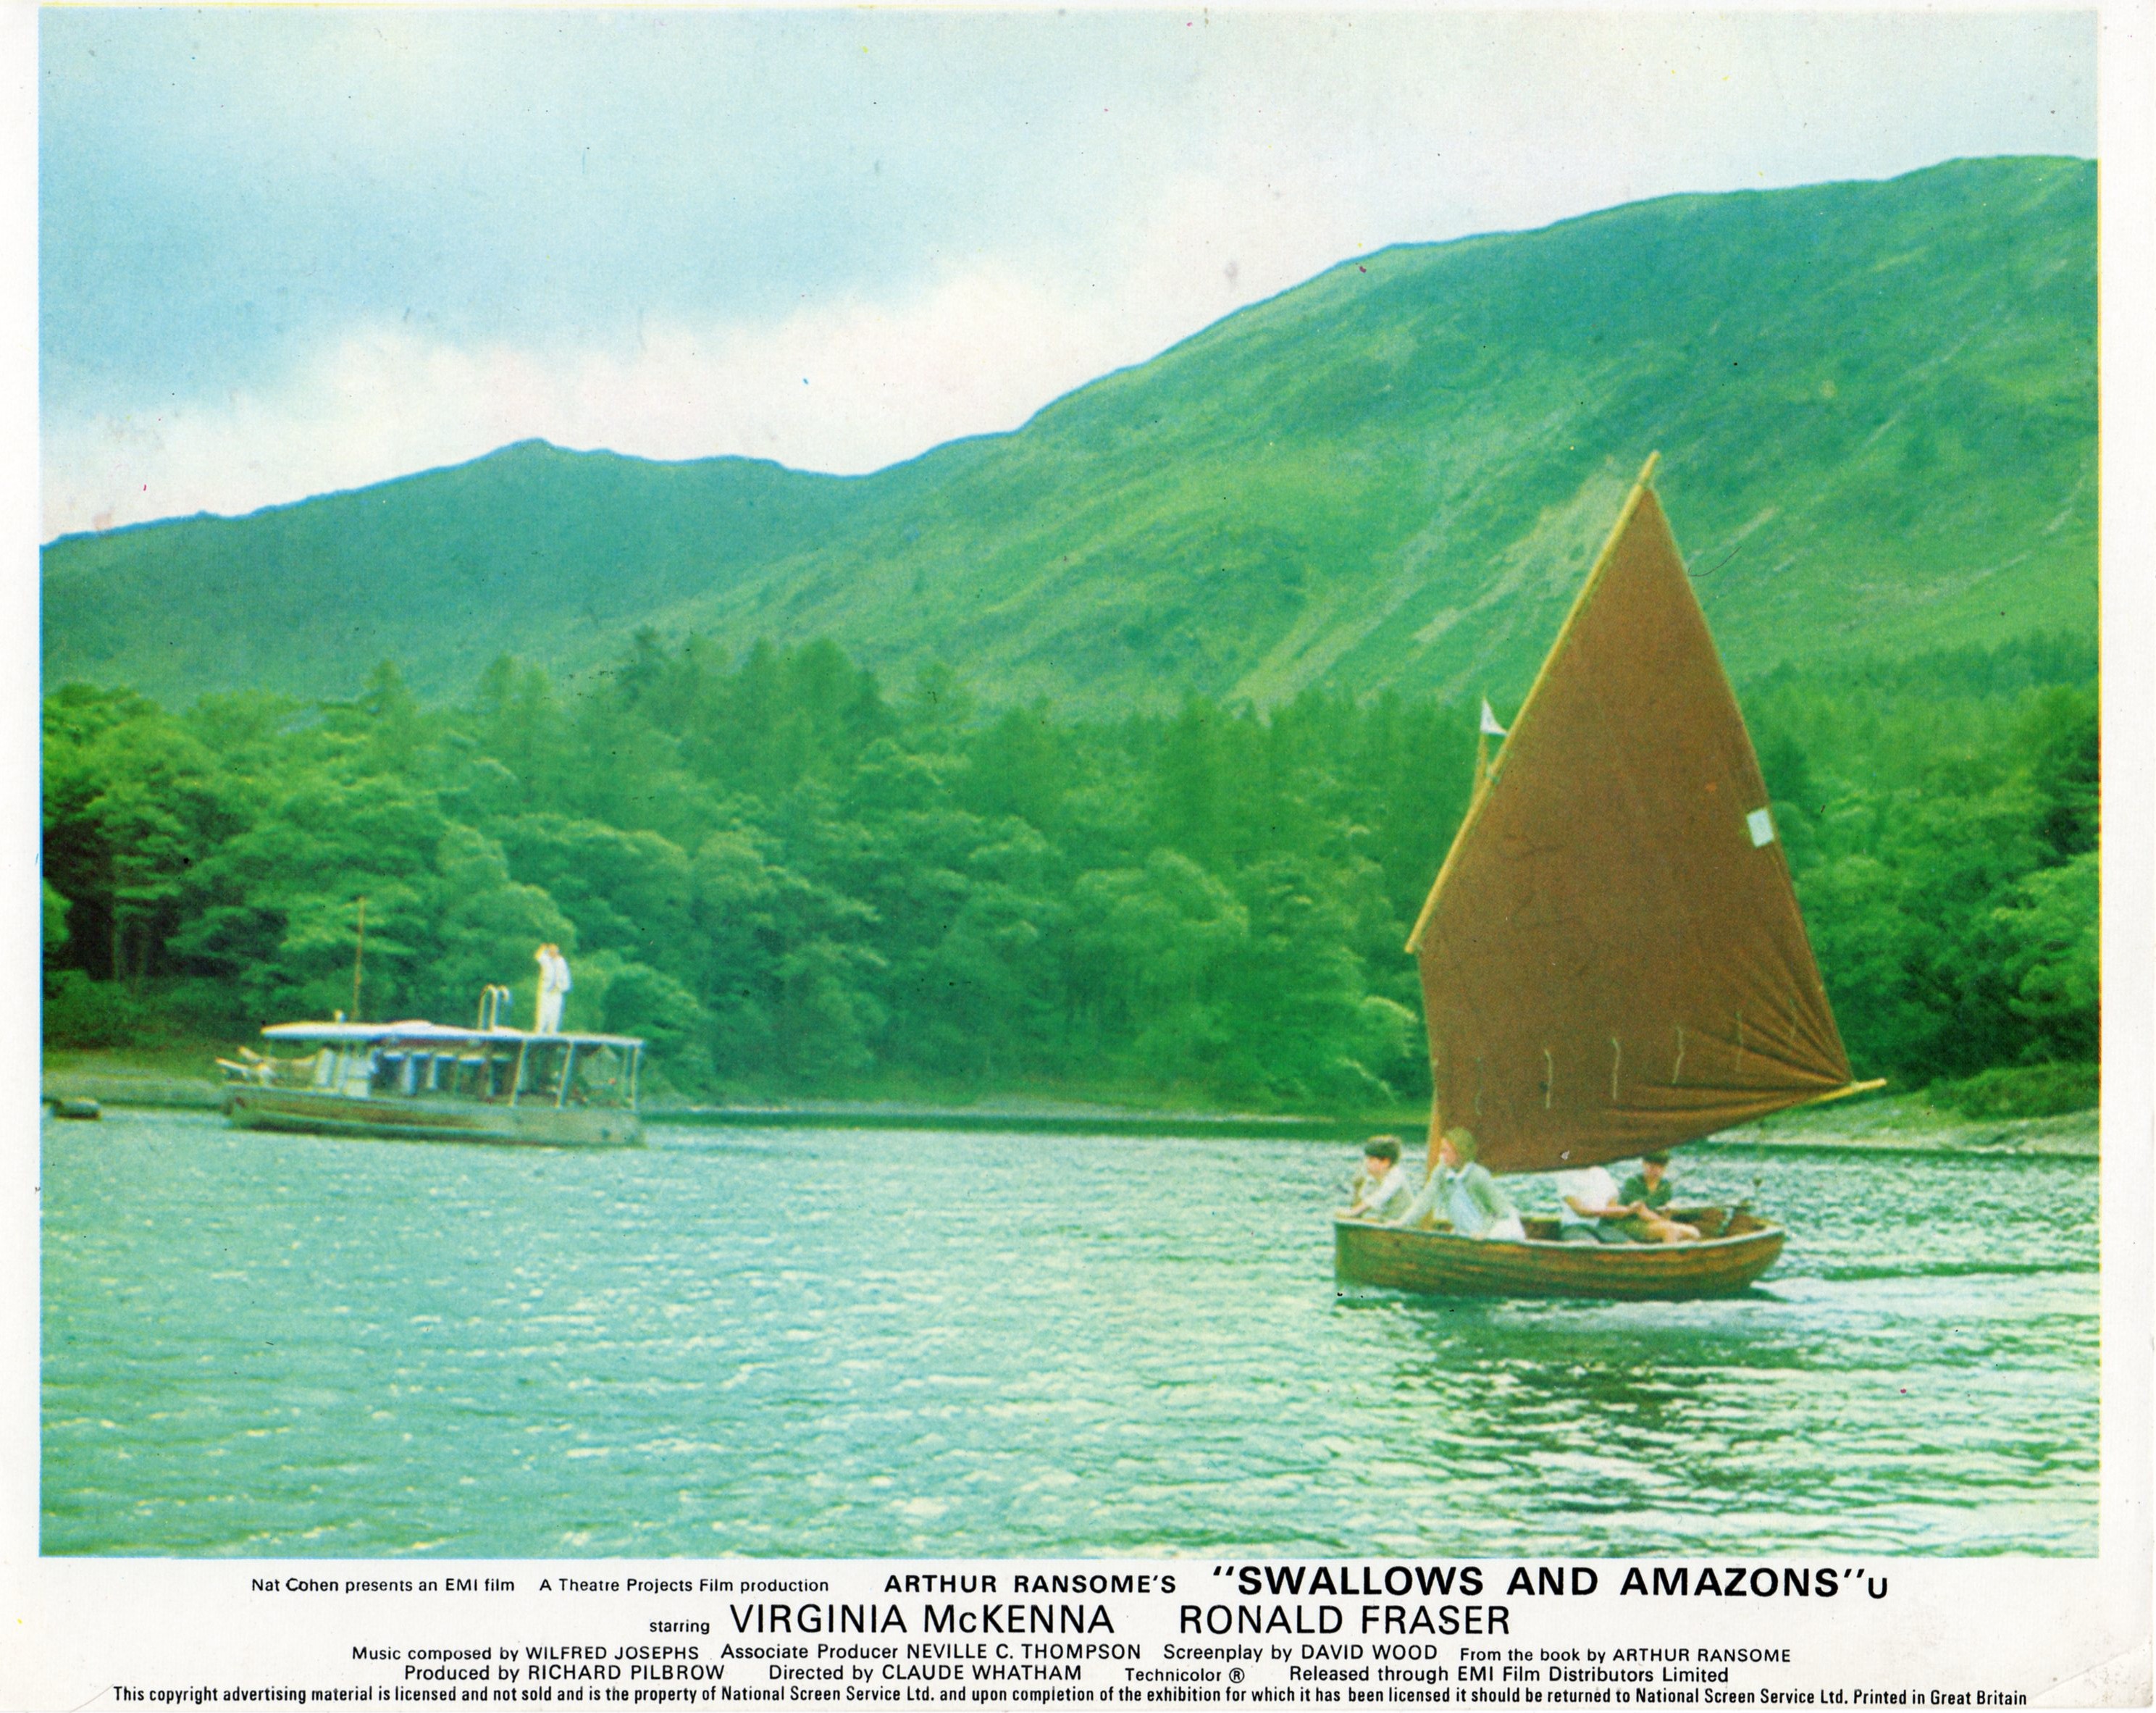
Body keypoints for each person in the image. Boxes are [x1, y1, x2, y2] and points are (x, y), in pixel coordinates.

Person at [1391, 1128, 1526, 1241]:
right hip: (1469, 1231)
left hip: (1498, 1229)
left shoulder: (1478, 1176)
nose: (1441, 1156)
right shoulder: (1441, 1172)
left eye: (1445, 1151)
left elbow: (1498, 1211)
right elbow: (1425, 1200)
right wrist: (1402, 1222)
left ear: (1460, 1152)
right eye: (1441, 1151)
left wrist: (1484, 1233)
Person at [1615, 1152, 1702, 1244]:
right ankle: (1670, 1257)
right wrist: (1667, 1223)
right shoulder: (1633, 1183)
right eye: (1652, 1167)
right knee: (1669, 1230)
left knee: (1693, 1232)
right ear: (1644, 1164)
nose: (1656, 1171)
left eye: (1661, 1167)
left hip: (1655, 1223)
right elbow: (1642, 1213)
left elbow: (1665, 1213)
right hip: (1631, 1224)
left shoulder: (1665, 1185)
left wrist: (1669, 1210)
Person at [1344, 1136, 1414, 1221]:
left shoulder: (1396, 1176)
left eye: (1371, 1160)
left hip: (1404, 1223)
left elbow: (1379, 1197)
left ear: (1385, 1162)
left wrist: (1353, 1212)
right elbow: (1362, 1201)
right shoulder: (1372, 1176)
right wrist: (1357, 1188)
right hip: (1386, 1221)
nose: (1366, 1163)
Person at [534, 942, 572, 1034]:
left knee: (555, 1011)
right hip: (546, 990)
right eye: (551, 951)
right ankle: (540, 1030)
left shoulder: (561, 961)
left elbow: (565, 975)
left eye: (554, 951)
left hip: (557, 990)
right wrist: (543, 948)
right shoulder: (546, 959)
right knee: (543, 1011)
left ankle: (552, 1030)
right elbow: (538, 957)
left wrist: (564, 987)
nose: (552, 953)